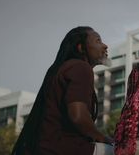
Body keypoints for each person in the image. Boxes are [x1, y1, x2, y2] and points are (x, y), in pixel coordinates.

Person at [12, 26, 113, 155]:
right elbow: (78, 115)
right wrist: (103, 138)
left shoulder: (61, 68)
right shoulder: (80, 67)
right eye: (98, 41)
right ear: (81, 48)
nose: (105, 46)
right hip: (61, 148)